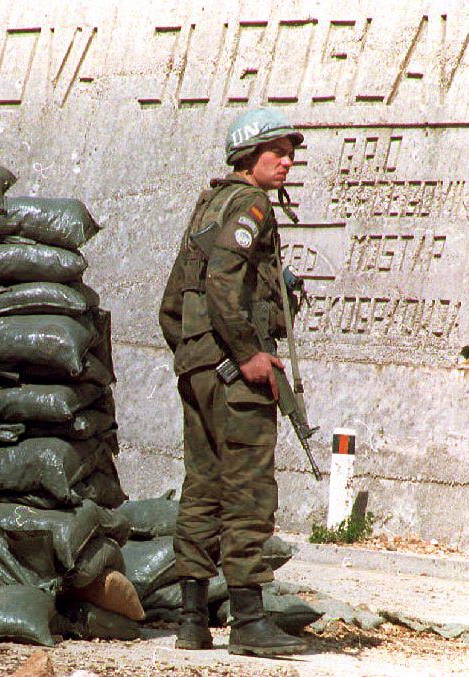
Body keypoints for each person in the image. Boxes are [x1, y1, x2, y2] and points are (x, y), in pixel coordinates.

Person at [158, 108, 307, 656]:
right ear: (248, 157)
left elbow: (172, 305)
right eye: (277, 153)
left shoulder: (207, 206)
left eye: (290, 153)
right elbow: (223, 281)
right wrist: (246, 356)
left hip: (199, 369)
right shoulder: (250, 205)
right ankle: (248, 622)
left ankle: (192, 620)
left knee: (201, 489)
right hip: (231, 373)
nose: (287, 162)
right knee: (247, 489)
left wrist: (194, 361)